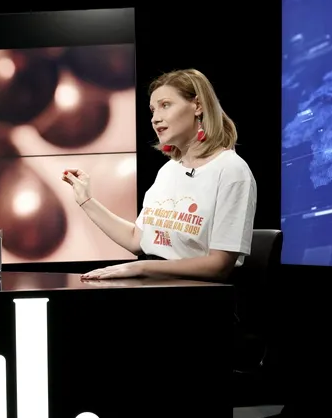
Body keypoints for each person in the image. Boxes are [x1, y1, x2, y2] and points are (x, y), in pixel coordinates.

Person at [62, 69, 257, 281]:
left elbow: (218, 265)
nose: (155, 119)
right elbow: (136, 239)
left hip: (199, 291)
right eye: (153, 110)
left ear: (198, 106)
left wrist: (143, 267)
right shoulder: (169, 170)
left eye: (165, 105)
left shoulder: (231, 171)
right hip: (156, 284)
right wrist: (86, 201)